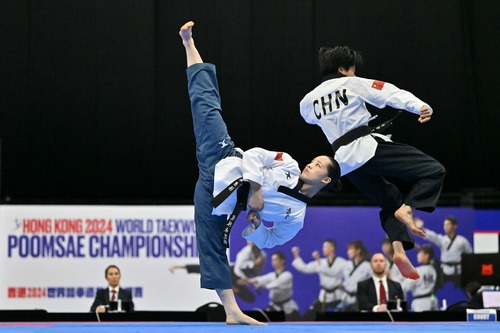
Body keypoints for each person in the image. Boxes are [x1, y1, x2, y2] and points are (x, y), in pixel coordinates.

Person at [179, 21, 341, 325]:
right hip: (223, 159)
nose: (311, 164)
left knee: (212, 245)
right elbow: (255, 155)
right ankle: (189, 44)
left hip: (220, 200)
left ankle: (232, 311)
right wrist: (255, 189)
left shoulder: (295, 217)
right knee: (206, 106)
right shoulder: (290, 164)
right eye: (315, 161)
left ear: (326, 180)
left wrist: (253, 225)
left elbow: (269, 240)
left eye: (319, 166)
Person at [299, 46, 446, 280]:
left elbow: (308, 117)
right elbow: (389, 93)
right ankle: (409, 209)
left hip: (345, 163)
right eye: (353, 70)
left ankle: (398, 250)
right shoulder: (352, 84)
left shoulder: (307, 101)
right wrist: (420, 106)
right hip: (367, 148)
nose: (355, 75)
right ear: (342, 69)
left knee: (390, 204)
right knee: (433, 171)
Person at [291, 239, 347, 320]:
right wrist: (296, 255)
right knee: (307, 317)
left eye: (325, 246)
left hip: (338, 296)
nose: (323, 248)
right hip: (324, 296)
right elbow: (305, 268)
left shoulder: (342, 263)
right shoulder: (321, 262)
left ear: (332, 248)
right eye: (323, 246)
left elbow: (333, 272)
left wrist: (344, 284)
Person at [239, 251, 300, 321]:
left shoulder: (287, 275)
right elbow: (261, 279)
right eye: (272, 260)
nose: (273, 261)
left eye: (276, 259)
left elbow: (276, 284)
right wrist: (248, 280)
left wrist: (262, 286)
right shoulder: (272, 275)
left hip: (289, 309)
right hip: (275, 307)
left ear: (282, 260)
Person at [415, 216, 472, 287]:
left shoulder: (462, 241)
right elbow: (432, 236)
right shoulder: (442, 239)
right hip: (445, 271)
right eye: (444, 225)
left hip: (458, 270)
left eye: (448, 225)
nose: (445, 227)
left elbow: (470, 255)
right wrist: (422, 228)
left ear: (454, 226)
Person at [402, 244, 438, 311]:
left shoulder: (418, 271)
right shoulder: (434, 269)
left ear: (427, 256)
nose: (417, 255)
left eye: (420, 253)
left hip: (420, 303)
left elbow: (405, 286)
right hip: (432, 300)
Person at [339, 241, 372, 311]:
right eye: (348, 250)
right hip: (346, 298)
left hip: (359, 299)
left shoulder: (367, 266)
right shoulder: (346, 264)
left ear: (358, 250)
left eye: (350, 249)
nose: (348, 252)